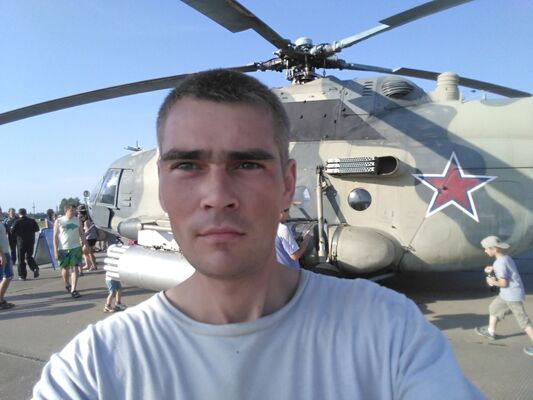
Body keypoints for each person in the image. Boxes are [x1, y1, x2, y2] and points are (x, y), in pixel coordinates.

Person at [32, 70, 482, 399]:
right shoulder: (89, 369)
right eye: (187, 165)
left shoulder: (391, 332)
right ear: (163, 186)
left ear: (288, 184)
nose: (217, 197)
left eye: (247, 164)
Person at [475, 235, 533, 357]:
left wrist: (492, 281)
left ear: (494, 249)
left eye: (486, 248)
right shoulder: (506, 258)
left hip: (512, 296)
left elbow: (503, 283)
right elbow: (506, 270)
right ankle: (491, 332)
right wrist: (493, 269)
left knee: (523, 320)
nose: (485, 251)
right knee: (494, 308)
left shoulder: (499, 264)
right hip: (507, 294)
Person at [53, 204, 88, 298]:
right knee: (65, 269)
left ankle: (73, 290)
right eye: (72, 210)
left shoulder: (77, 220)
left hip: (75, 248)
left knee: (75, 269)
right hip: (63, 249)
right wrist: (55, 250)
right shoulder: (59, 221)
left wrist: (86, 244)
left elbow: (82, 233)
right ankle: (67, 283)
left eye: (74, 210)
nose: (74, 212)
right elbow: (55, 237)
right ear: (66, 211)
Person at [11, 208, 40, 280]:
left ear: (19, 214)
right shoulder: (32, 221)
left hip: (21, 242)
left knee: (21, 259)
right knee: (29, 256)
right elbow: (37, 229)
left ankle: (22, 275)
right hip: (31, 241)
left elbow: (12, 231)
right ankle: (35, 268)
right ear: (26, 213)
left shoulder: (17, 221)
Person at [0, 206, 15, 310]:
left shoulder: (1, 222)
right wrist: (1, 255)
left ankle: (1, 299)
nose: (1, 212)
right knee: (5, 276)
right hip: (2, 253)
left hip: (5, 252)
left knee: (8, 276)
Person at [78, 205, 97, 271]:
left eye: (81, 217)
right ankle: (92, 264)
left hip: (90, 238)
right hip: (92, 238)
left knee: (87, 251)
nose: (81, 219)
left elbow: (88, 231)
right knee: (87, 252)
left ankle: (93, 265)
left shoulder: (86, 222)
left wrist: (83, 235)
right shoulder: (89, 220)